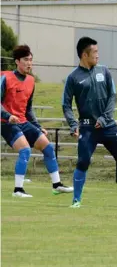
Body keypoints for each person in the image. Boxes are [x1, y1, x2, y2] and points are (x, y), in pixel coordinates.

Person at [62, 36, 117, 208]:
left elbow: (112, 96)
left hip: (108, 126)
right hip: (87, 127)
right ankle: (76, 200)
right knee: (83, 161)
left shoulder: (104, 71)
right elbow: (66, 104)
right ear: (84, 55)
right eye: (95, 52)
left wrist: (104, 118)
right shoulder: (73, 78)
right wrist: (73, 124)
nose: (98, 56)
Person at [1, 45, 73, 198]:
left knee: (47, 147)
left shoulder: (31, 81)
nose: (29, 63)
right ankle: (18, 190)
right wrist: (8, 116)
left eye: (31, 60)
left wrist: (38, 126)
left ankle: (57, 185)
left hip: (23, 121)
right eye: (26, 60)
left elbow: (28, 109)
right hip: (6, 123)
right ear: (17, 62)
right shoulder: (6, 78)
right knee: (25, 150)